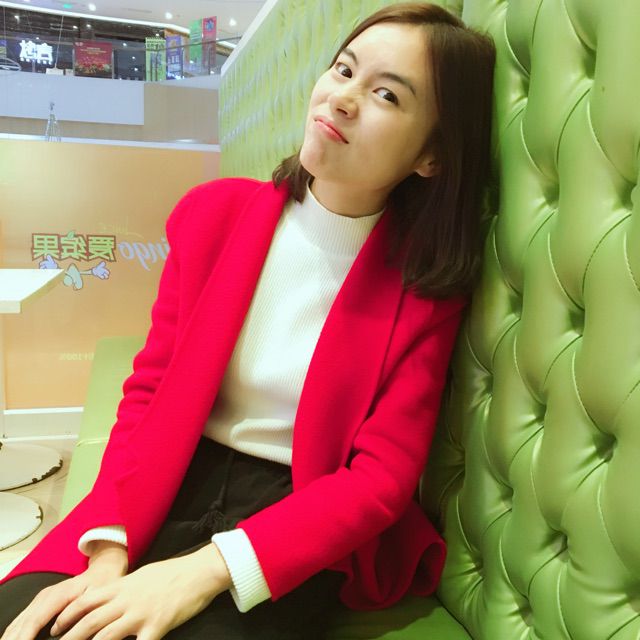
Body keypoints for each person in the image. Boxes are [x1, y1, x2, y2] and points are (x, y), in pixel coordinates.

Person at [0, 3, 495, 639]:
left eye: (387, 95)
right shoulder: (212, 216)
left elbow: (380, 479)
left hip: (296, 516)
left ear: (432, 155)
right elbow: (149, 391)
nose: (343, 99)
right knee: (28, 618)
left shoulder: (424, 290)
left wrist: (204, 570)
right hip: (168, 474)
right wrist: (110, 547)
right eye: (344, 70)